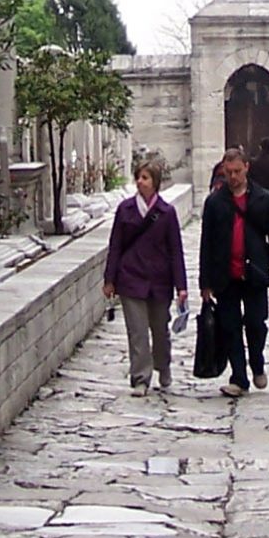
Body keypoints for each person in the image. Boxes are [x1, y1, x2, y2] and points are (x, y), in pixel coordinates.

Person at [198, 146, 269, 397]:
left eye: (237, 171)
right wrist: (204, 283)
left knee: (256, 323)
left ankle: (257, 362)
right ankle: (239, 377)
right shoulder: (215, 202)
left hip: (255, 273)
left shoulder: (263, 199)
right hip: (225, 274)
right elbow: (207, 242)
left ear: (246, 168)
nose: (233, 176)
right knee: (230, 327)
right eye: (228, 172)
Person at [102, 159, 187, 396]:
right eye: (138, 177)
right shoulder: (125, 210)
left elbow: (175, 251)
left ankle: (163, 365)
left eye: (145, 177)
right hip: (131, 277)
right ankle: (140, 377)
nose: (140, 181)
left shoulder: (167, 213)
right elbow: (116, 245)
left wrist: (181, 286)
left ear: (155, 183)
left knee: (160, 330)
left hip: (159, 280)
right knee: (137, 331)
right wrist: (110, 279)